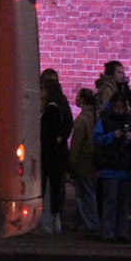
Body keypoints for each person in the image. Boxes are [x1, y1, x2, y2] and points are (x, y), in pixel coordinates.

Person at [93, 93, 131, 243]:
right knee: (111, 202)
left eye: (122, 108)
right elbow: (96, 139)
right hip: (110, 167)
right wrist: (112, 136)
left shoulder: (126, 120)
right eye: (117, 107)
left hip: (124, 167)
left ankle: (121, 233)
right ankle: (109, 233)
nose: (120, 110)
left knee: (121, 203)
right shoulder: (105, 120)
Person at [39, 78, 73, 234]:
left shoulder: (50, 110)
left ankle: (47, 223)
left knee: (47, 189)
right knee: (56, 187)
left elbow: (46, 134)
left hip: (49, 155)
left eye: (43, 89)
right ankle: (55, 222)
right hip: (58, 154)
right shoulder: (62, 108)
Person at [68, 88, 100, 235]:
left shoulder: (81, 120)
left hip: (83, 163)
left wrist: (72, 163)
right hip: (93, 162)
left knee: (84, 194)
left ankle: (91, 224)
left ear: (82, 100)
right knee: (90, 193)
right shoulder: (95, 117)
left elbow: (76, 144)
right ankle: (88, 223)